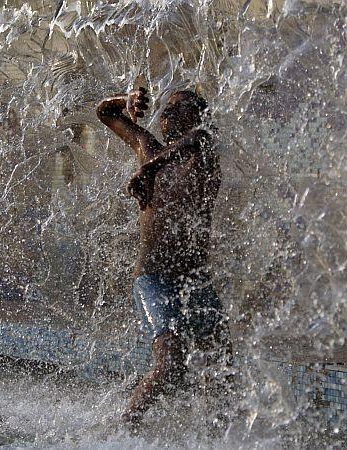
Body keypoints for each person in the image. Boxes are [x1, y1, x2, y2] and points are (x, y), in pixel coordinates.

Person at [97, 87, 233, 425]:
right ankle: (125, 429)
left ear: (197, 115)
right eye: (164, 109)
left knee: (222, 365)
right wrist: (125, 101)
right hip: (154, 280)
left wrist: (150, 169)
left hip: (196, 281)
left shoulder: (204, 157)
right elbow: (105, 113)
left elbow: (200, 137)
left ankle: (219, 435)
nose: (166, 114)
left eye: (176, 108)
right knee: (171, 363)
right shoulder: (147, 148)